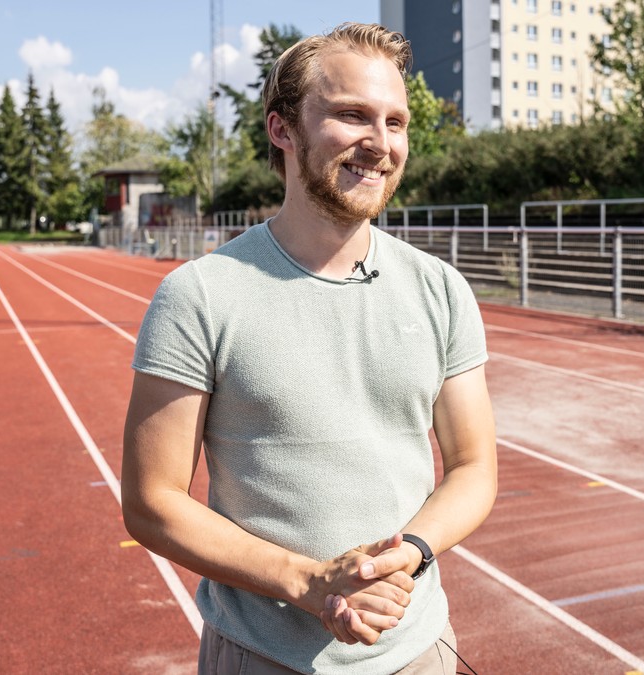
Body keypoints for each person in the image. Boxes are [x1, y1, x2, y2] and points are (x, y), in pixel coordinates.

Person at [122, 22, 497, 674]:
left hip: (420, 650)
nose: (380, 144)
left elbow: (472, 466)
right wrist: (306, 581)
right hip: (264, 657)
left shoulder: (442, 290)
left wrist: (409, 549)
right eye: (352, 115)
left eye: (396, 122)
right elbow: (152, 501)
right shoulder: (197, 296)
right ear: (282, 129)